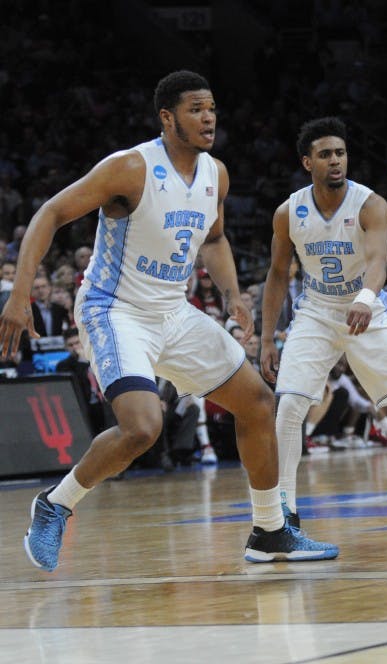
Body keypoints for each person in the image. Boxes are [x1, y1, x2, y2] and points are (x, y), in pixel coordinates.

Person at [0, 70, 337, 571]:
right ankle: (55, 503)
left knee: (258, 403)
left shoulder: (215, 174)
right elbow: (49, 213)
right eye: (197, 109)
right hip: (115, 309)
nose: (208, 118)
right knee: (142, 427)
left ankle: (269, 531)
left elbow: (216, 239)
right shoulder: (129, 168)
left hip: (173, 311)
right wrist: (19, 295)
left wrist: (230, 294)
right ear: (167, 117)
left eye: (213, 109)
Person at [259, 116, 387, 532]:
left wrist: (366, 297)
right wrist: (266, 340)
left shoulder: (370, 204)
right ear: (306, 162)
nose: (336, 161)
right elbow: (277, 276)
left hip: (367, 309)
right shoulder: (287, 212)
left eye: (341, 153)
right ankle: (283, 518)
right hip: (315, 311)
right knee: (290, 406)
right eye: (325, 154)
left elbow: (379, 258)